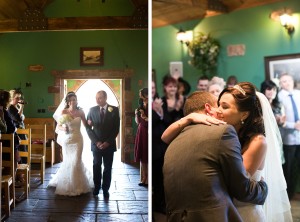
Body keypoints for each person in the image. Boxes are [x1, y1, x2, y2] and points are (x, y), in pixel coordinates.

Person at [162, 82, 292, 221]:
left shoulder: (258, 141)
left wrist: (262, 189)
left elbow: (238, 186)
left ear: (244, 114)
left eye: (224, 106)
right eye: (218, 104)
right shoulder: (223, 134)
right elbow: (165, 137)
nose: (217, 110)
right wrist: (189, 117)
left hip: (244, 212)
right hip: (224, 211)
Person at [49, 91, 93, 196]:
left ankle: (78, 186)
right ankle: (68, 185)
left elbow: (86, 125)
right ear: (68, 102)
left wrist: (90, 124)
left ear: (77, 101)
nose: (73, 101)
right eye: (71, 100)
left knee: (77, 160)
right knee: (68, 161)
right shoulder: (64, 112)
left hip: (78, 139)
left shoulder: (81, 112)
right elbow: (58, 126)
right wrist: (63, 128)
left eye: (75, 100)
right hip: (67, 140)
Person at [86, 90, 120, 200]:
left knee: (108, 167)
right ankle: (97, 187)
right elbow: (88, 128)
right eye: (96, 97)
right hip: (96, 144)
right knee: (96, 166)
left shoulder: (114, 110)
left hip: (109, 145)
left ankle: (106, 189)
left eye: (100, 97)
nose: (97, 100)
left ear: (105, 98)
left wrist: (107, 142)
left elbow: (116, 128)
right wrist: (97, 142)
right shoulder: (91, 110)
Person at [278, 73, 300, 199]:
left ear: (292, 80)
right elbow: (280, 120)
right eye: (283, 81)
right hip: (288, 140)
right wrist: (294, 125)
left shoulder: (298, 93)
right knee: (289, 169)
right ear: (280, 84)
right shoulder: (279, 97)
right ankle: (288, 195)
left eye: (288, 80)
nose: (287, 83)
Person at [152, 80, 168, 214]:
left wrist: (161, 112)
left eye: (153, 87)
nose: (152, 89)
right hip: (153, 147)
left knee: (160, 178)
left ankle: (160, 203)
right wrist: (157, 113)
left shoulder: (160, 102)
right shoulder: (149, 105)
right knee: (156, 178)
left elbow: (165, 121)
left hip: (161, 146)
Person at [134, 88, 148, 186]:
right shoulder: (141, 105)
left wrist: (145, 117)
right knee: (142, 154)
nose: (140, 97)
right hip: (141, 130)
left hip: (149, 130)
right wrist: (136, 114)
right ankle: (144, 177)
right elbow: (138, 122)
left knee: (148, 153)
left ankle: (149, 179)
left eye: (141, 95)